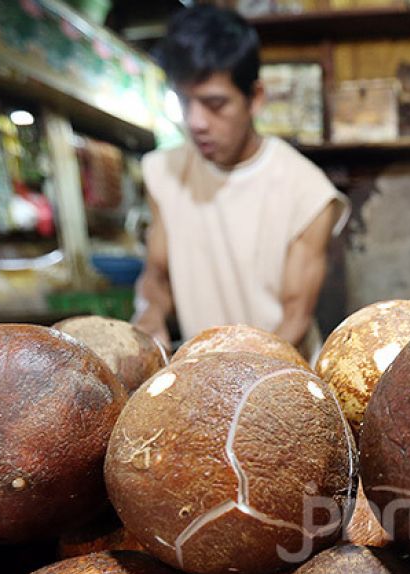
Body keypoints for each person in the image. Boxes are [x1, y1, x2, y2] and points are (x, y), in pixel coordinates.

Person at [133, 4, 348, 353]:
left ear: (255, 98)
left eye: (214, 104)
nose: (196, 121)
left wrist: (233, 380)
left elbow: (294, 319)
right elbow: (157, 279)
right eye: (185, 102)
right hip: (201, 374)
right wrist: (150, 317)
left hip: (282, 377)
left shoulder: (307, 192)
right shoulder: (164, 173)